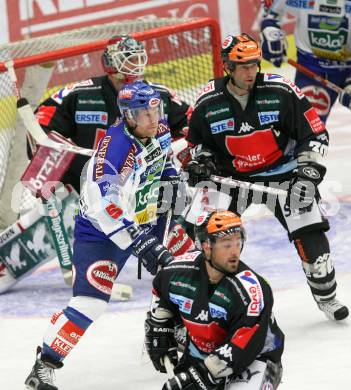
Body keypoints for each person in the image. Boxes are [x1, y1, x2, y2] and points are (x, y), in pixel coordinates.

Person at [184, 33, 349, 321]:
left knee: (315, 249)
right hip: (233, 178)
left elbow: (314, 134)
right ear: (227, 66)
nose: (250, 72)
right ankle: (216, 302)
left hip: (284, 174)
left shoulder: (281, 91)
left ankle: (327, 296)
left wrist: (307, 176)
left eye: (253, 64)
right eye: (242, 66)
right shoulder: (207, 100)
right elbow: (197, 144)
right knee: (204, 234)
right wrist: (202, 163)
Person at [24, 80, 177, 389]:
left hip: (144, 219)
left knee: (181, 269)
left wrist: (177, 177)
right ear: (128, 117)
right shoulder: (113, 151)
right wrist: (139, 239)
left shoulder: (159, 131)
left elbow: (164, 166)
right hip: (102, 235)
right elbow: (104, 207)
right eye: (143, 114)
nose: (152, 119)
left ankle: (169, 333)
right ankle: (44, 366)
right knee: (90, 303)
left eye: (155, 110)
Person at [145, 210, 284, 390]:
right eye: (226, 245)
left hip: (255, 358)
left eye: (237, 242)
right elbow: (161, 291)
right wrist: (159, 325)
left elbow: (243, 346)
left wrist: (202, 374)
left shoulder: (250, 290)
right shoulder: (175, 272)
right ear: (206, 246)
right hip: (202, 353)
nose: (235, 251)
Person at [33, 35, 190, 193]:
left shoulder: (160, 95)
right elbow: (39, 125)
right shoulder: (81, 95)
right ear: (110, 61)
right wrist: (46, 172)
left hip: (143, 188)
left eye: (138, 58)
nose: (135, 64)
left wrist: (171, 156)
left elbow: (191, 124)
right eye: (128, 59)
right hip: (84, 188)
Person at [260, 0, 351, 123]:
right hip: (310, 67)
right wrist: (270, 28)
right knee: (306, 126)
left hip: (348, 67)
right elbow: (272, 8)